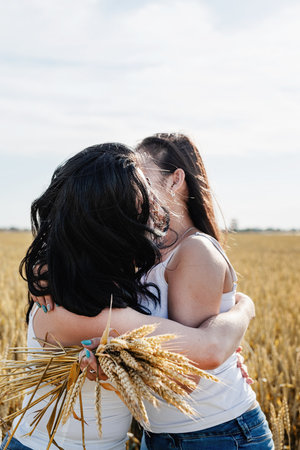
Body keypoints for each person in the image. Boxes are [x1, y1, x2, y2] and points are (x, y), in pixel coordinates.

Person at [2, 143, 254, 450]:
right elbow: (208, 349)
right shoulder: (74, 311)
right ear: (113, 220)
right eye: (141, 194)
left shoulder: (106, 282)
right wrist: (244, 307)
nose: (150, 201)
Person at [82, 134, 274, 449]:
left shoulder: (194, 250)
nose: (133, 189)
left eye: (143, 178)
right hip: (160, 434)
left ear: (176, 180)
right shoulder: (143, 252)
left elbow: (183, 377)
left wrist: (109, 369)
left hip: (217, 434)